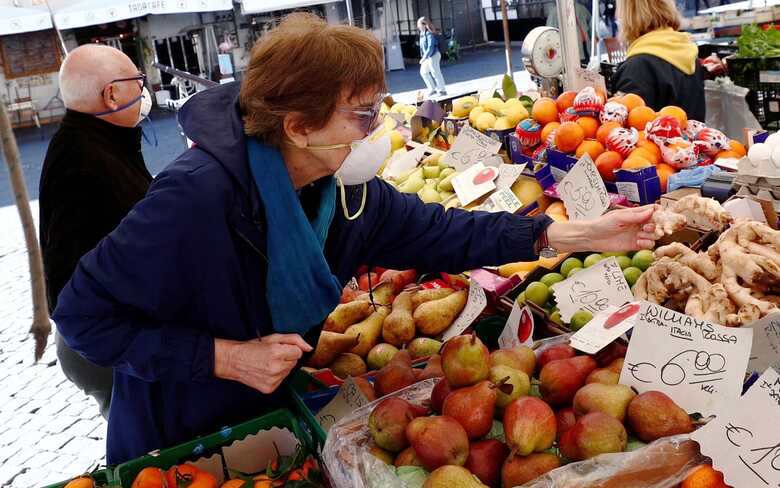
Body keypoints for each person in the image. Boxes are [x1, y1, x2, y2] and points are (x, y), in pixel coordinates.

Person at [53, 13, 659, 465]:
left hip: (275, 411)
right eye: (364, 115)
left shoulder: (347, 191)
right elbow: (82, 316)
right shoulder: (198, 197)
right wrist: (226, 357)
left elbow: (444, 231)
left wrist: (577, 233)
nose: (381, 130)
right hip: (181, 428)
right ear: (297, 126)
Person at [39, 44, 153, 420]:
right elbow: (69, 281)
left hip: (113, 338)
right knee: (141, 446)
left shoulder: (100, 140)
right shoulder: (81, 162)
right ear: (112, 94)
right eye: (137, 80)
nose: (143, 89)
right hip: (106, 347)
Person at [612, 0, 706, 121]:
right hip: (693, 139)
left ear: (627, 14)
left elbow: (623, 130)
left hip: (659, 140)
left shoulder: (638, 67)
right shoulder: (688, 52)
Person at [417, 17, 447, 97]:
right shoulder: (422, 34)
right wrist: (423, 56)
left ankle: (442, 91)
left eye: (419, 24)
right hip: (428, 57)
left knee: (435, 72)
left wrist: (423, 58)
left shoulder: (429, 33)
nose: (418, 26)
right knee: (423, 72)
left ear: (423, 25)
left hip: (434, 55)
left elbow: (431, 47)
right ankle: (432, 89)